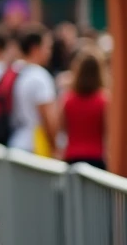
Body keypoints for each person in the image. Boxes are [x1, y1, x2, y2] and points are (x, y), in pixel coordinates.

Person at [8, 24, 58, 156]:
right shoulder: (40, 76)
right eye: (47, 47)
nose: (50, 52)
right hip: (35, 146)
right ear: (35, 49)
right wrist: (55, 147)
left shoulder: (13, 70)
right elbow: (48, 117)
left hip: (14, 141)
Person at [60, 46, 108, 169]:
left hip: (72, 157)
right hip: (96, 157)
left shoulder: (68, 99)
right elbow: (108, 131)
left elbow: (61, 128)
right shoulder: (104, 100)